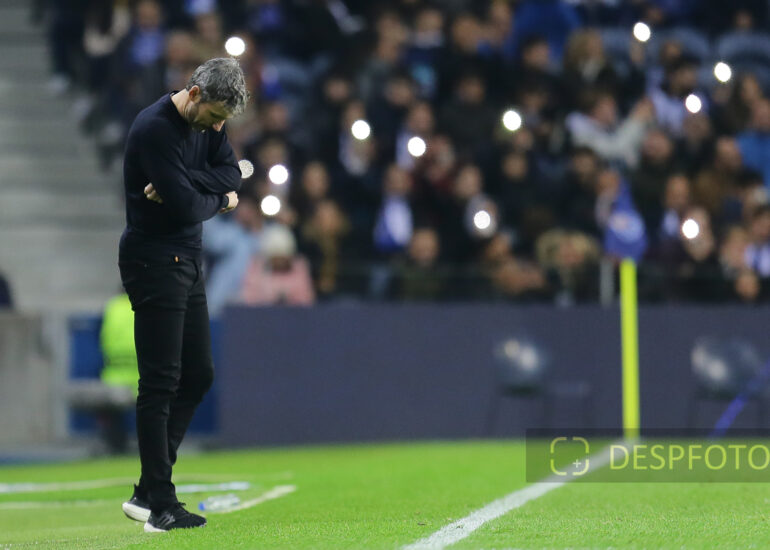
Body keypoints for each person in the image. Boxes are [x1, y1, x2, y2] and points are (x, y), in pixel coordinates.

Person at [117, 57, 248, 532]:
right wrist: (220, 198)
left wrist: (193, 182)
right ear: (194, 93)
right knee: (160, 381)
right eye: (214, 116)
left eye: (223, 122)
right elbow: (192, 206)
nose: (216, 128)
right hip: (153, 260)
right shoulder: (155, 128)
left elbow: (231, 174)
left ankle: (147, 491)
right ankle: (161, 504)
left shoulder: (209, 123)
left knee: (198, 375)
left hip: (187, 259)